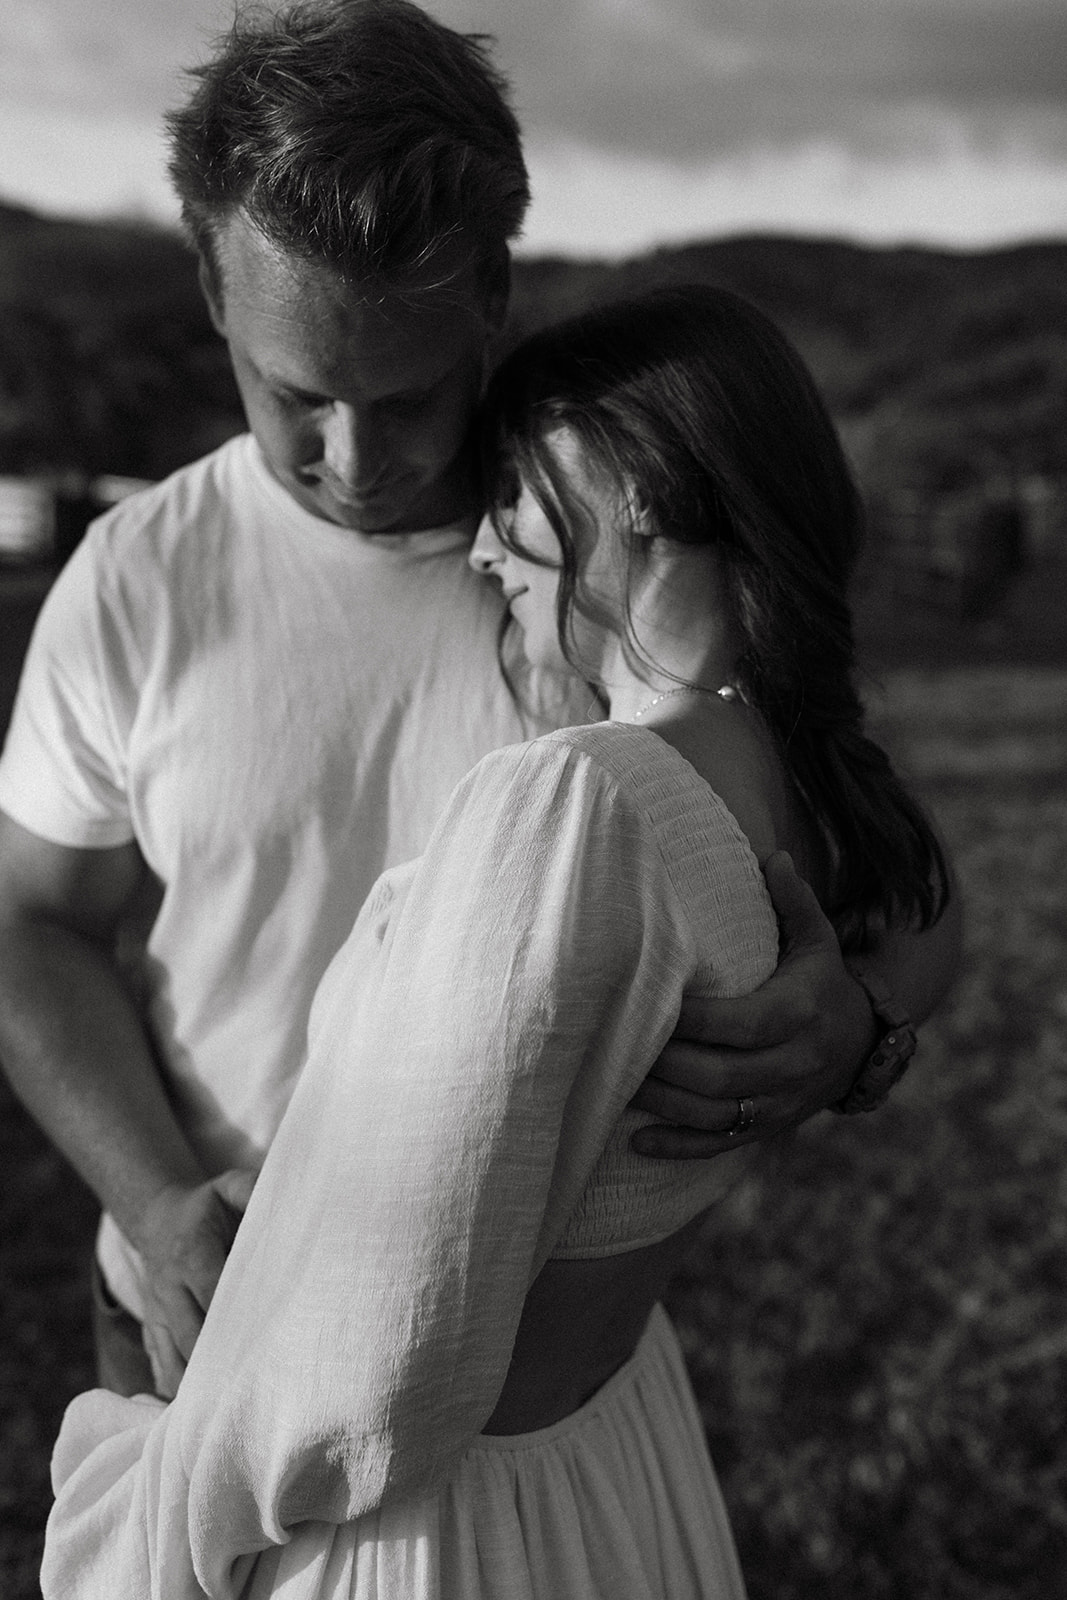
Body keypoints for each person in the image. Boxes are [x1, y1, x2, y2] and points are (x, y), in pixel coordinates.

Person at [0, 0, 957, 1408]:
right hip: (188, 1314)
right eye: (296, 394)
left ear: (491, 296)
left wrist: (856, 1028)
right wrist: (156, 1205)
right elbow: (32, 922)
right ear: (212, 290)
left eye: (408, 393)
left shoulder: (608, 565)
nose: (356, 456)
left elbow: (896, 871)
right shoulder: (137, 582)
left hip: (509, 1360)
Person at [41, 283, 953, 1599]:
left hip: (416, 1513)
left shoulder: (583, 799)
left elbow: (380, 1347)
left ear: (634, 487)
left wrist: (157, 1506)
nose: (487, 543)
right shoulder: (798, 786)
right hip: (603, 1452)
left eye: (522, 488)